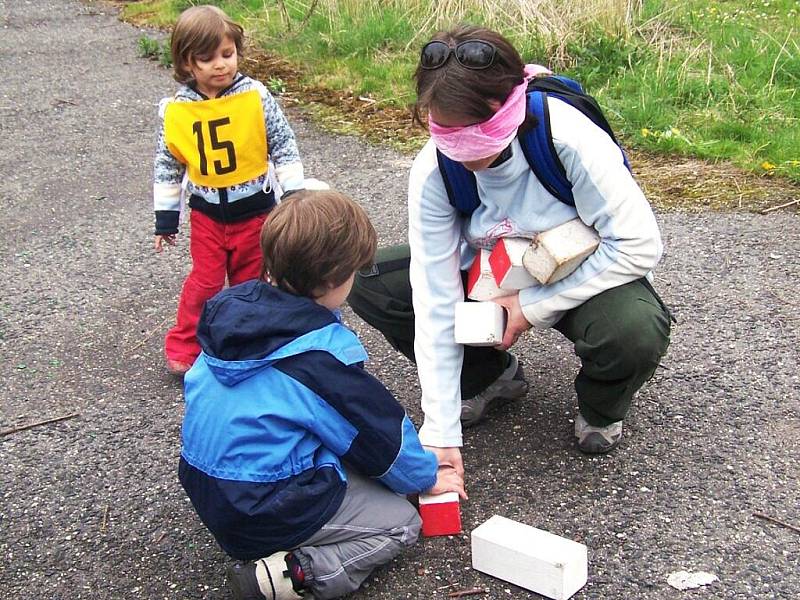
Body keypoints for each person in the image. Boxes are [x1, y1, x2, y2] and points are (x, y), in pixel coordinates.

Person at [348, 25, 672, 481]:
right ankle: (487, 377)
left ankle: (602, 406)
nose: (460, 151)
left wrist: (531, 307)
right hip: (490, 275)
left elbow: (639, 245)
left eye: (472, 132)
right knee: (376, 285)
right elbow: (435, 297)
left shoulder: (568, 138)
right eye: (446, 131)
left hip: (579, 272)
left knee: (633, 331)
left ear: (507, 106)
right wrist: (439, 434)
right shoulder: (435, 170)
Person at [178, 190, 466, 600]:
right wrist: (426, 475)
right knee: (399, 521)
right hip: (262, 506)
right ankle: (288, 575)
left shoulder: (232, 319)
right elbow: (379, 435)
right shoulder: (317, 360)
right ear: (334, 279)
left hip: (206, 486)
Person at [153, 5, 307, 377]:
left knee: (251, 281)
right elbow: (168, 163)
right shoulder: (177, 110)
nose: (221, 65)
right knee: (204, 282)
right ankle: (185, 345)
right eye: (207, 59)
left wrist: (294, 194)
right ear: (187, 63)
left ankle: (250, 341)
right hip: (206, 213)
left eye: (228, 54)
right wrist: (165, 219)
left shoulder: (255, 96)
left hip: (255, 211)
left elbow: (283, 143)